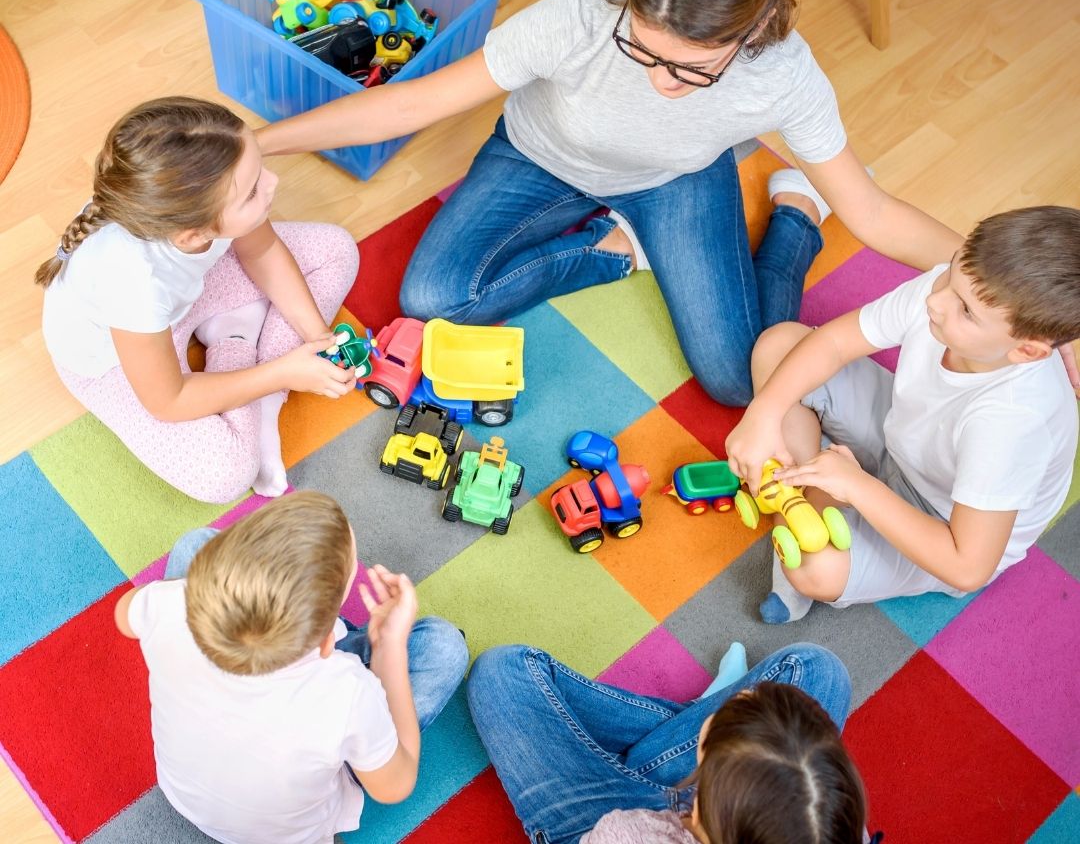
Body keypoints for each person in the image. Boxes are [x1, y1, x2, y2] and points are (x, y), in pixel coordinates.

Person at [255, 0, 961, 407]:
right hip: (537, 157)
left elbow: (873, 213)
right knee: (434, 297)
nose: (661, 82)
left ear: (757, 25)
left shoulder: (783, 74)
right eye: (643, 51)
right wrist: (257, 143)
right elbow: (412, 101)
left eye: (690, 69)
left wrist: (1023, 299)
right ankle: (613, 251)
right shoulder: (585, 8)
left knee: (744, 379)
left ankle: (798, 218)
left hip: (673, 181)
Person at [725, 205, 1080, 624]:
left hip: (940, 520)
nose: (935, 300)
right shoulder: (946, 293)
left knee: (817, 569)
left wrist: (857, 487)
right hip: (902, 436)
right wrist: (764, 414)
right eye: (952, 271)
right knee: (779, 345)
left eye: (966, 310)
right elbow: (835, 343)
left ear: (1026, 351)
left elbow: (967, 566)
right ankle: (810, 493)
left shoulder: (1012, 424)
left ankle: (805, 495)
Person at [36, 96, 359, 503]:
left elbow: (260, 251)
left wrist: (318, 339)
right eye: (253, 191)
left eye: (259, 168)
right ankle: (238, 345)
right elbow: (169, 401)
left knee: (337, 249)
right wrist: (282, 374)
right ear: (194, 235)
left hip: (180, 304)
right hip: (116, 362)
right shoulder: (132, 281)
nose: (273, 183)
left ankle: (260, 392)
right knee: (223, 476)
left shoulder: (190, 205)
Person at [114, 490, 468, 844]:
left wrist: (195, 593)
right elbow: (395, 785)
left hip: (186, 795)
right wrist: (389, 646)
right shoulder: (347, 691)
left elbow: (123, 615)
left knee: (195, 543)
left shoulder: (171, 605)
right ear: (329, 642)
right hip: (289, 830)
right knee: (445, 646)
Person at [467, 639, 870, 844]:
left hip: (602, 825)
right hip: (725, 816)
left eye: (728, 707)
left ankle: (681, 726)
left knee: (503, 671)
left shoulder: (622, 833)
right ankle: (691, 724)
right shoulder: (825, 827)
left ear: (705, 750)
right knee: (818, 669)